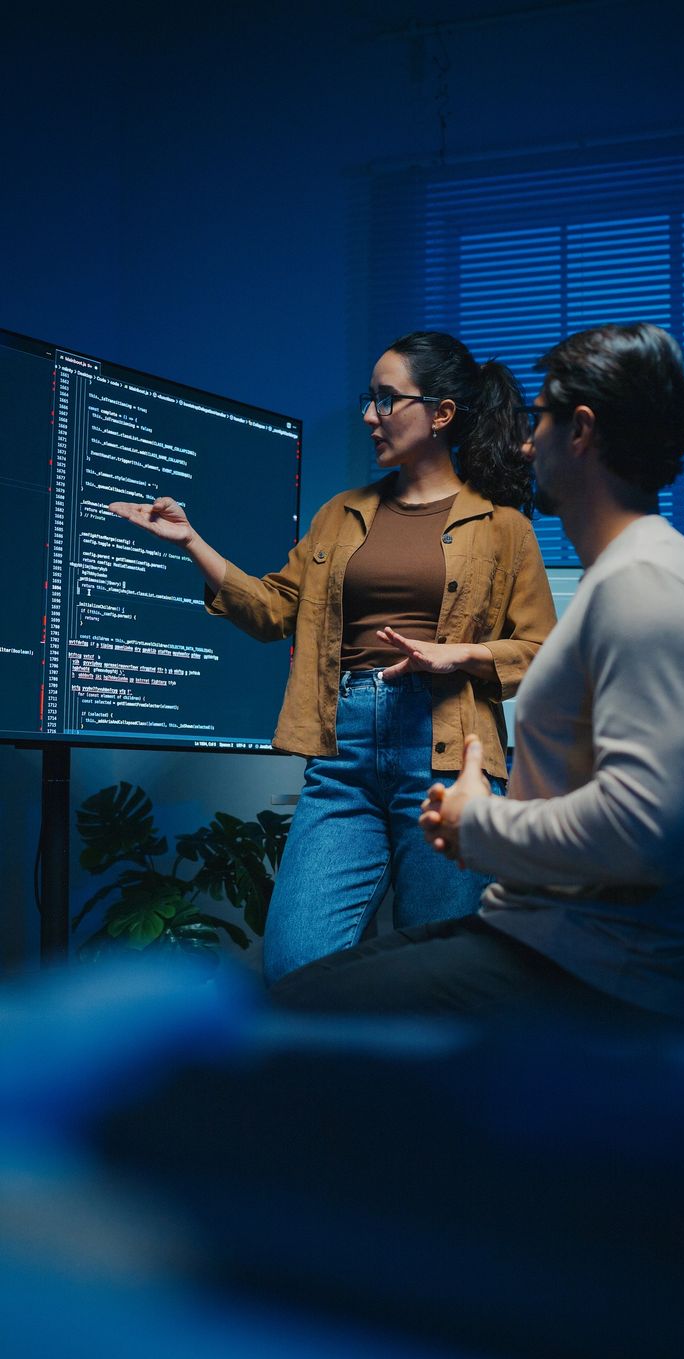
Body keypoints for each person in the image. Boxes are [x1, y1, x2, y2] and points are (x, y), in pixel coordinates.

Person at [271, 322, 684, 1032]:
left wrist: (481, 824)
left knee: (282, 1021)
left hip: (584, 969)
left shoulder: (647, 586)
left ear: (581, 431)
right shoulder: (628, 578)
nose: (527, 444)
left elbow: (648, 832)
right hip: (542, 939)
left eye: (542, 419)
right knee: (300, 985)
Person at [109, 331, 556, 981]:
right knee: (297, 967)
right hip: (341, 756)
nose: (369, 415)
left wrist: (456, 656)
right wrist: (191, 543)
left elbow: (539, 649)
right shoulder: (341, 516)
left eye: (386, 399)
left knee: (436, 970)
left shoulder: (502, 526)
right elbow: (271, 611)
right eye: (366, 399)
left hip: (445, 753)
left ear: (441, 413)